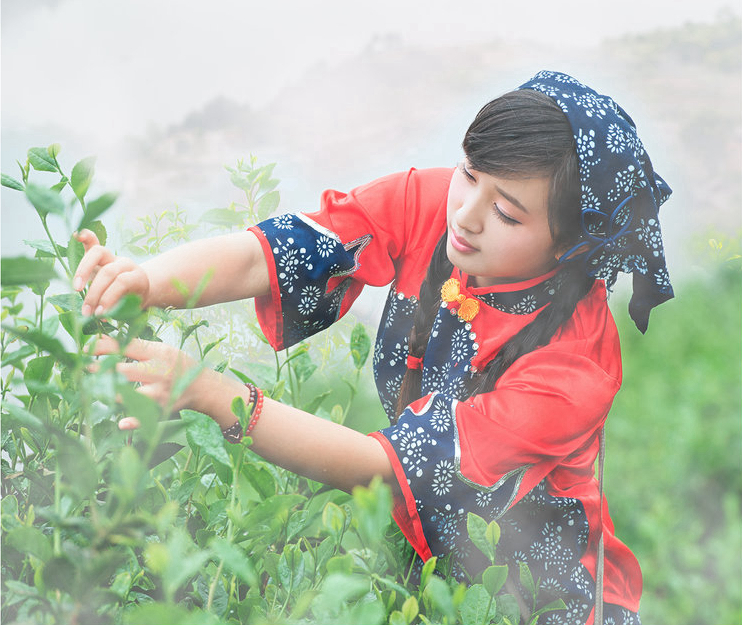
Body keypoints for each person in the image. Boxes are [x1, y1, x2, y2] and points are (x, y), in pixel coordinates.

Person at [74, 70, 673, 624]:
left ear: (572, 244)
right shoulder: (432, 205)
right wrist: (148, 282)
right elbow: (283, 250)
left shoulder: (574, 364)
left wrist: (211, 395)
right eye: (468, 173)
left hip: (552, 595)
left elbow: (384, 468)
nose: (464, 217)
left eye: (507, 215)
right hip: (437, 564)